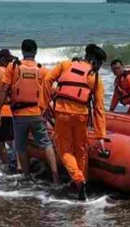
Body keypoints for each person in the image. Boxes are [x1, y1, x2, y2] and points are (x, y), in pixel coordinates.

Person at [44, 44, 107, 201]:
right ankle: (82, 181)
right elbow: (99, 108)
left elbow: (47, 80)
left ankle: (79, 179)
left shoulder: (66, 65)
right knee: (81, 149)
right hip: (81, 116)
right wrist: (100, 134)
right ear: (96, 61)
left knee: (65, 150)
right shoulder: (96, 78)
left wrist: (43, 105)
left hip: (62, 114)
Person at [0, 39, 60, 184]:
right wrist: (44, 107)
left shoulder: (13, 66)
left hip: (19, 115)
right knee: (46, 143)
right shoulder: (42, 69)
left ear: (22, 51)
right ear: (36, 52)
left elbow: (4, 89)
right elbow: (53, 91)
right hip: (37, 113)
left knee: (21, 146)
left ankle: (27, 176)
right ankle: (55, 176)